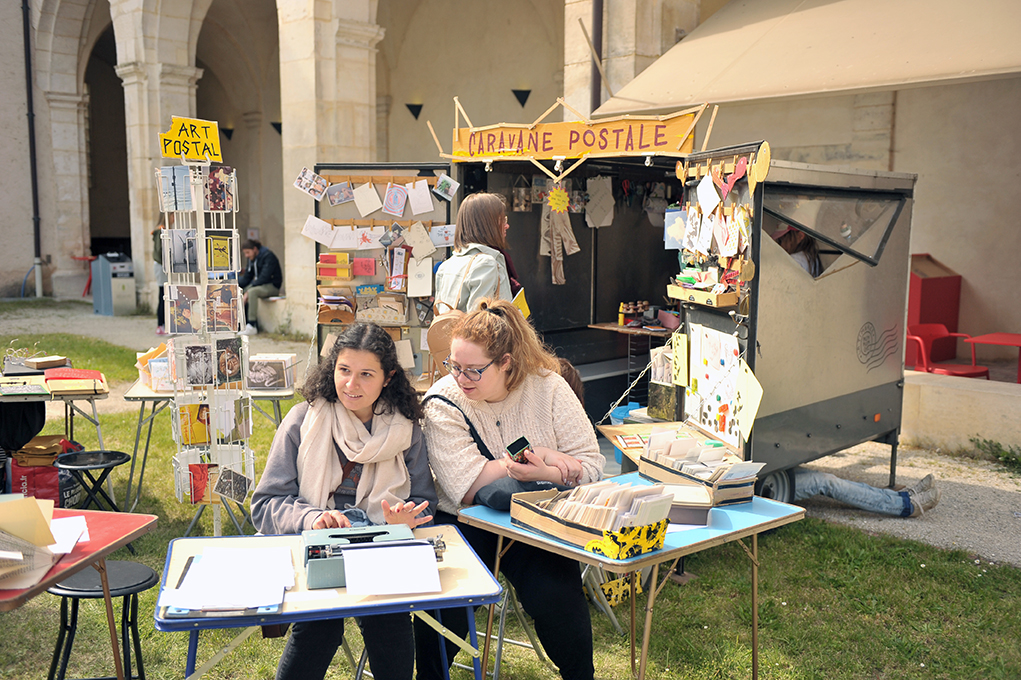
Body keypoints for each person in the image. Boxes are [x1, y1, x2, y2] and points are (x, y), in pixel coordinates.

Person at [416, 298, 604, 680]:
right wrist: (537, 458)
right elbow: (465, 486)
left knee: (557, 598)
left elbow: (592, 465)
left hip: (535, 514)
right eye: (454, 366)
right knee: (444, 605)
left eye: (473, 370)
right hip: (464, 520)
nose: (460, 378)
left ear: (506, 362)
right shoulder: (442, 400)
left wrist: (550, 474)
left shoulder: (548, 387)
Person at [251, 322, 436, 680]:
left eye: (366, 374)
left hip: (382, 546)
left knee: (391, 620)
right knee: (320, 624)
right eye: (344, 371)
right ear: (332, 368)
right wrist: (312, 518)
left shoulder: (406, 430)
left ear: (388, 377)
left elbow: (423, 502)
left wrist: (404, 520)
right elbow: (266, 504)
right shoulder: (303, 421)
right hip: (314, 547)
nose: (352, 385)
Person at [433, 193, 516, 313]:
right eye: (502, 220)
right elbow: (478, 321)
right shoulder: (485, 263)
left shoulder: (447, 265)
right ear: (487, 225)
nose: (507, 225)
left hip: (449, 332)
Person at [792, 469, 941, 517]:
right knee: (823, 481)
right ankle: (905, 506)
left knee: (825, 477)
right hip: (768, 491)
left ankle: (903, 496)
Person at [238, 239, 282, 335]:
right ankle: (243, 323)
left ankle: (252, 325)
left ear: (255, 249)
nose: (247, 256)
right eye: (245, 253)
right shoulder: (252, 259)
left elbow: (264, 278)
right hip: (261, 285)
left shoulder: (268, 257)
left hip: (272, 286)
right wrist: (236, 285)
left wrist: (248, 290)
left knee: (252, 292)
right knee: (242, 291)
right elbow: (247, 278)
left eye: (248, 252)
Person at [151, 213, 173, 335]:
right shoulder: (161, 230)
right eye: (173, 216)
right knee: (163, 295)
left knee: (165, 295)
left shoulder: (163, 230)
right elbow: (160, 251)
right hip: (161, 266)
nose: (174, 219)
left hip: (162, 266)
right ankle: (161, 324)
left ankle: (164, 323)